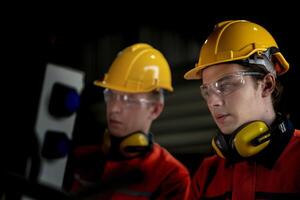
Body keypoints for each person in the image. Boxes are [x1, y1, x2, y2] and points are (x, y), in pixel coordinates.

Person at [184, 20, 300, 199]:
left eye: (226, 84)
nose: (213, 101)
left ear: (267, 85)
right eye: (207, 90)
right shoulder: (207, 173)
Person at [70, 43, 191, 199]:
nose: (114, 108)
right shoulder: (77, 159)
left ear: (155, 109)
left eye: (128, 99)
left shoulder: (171, 176)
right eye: (111, 95)